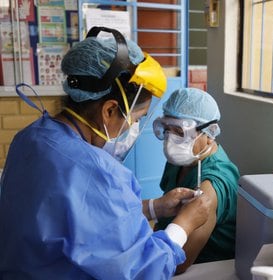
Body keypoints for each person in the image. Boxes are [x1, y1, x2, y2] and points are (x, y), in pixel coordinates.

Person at [0, 27, 210, 279]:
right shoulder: (97, 172)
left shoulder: (29, 138)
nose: (132, 128)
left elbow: (79, 218)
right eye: (135, 118)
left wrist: (155, 208)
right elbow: (143, 270)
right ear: (109, 111)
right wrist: (184, 225)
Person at [152, 87, 240, 274]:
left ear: (209, 134)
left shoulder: (212, 184)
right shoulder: (183, 159)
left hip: (204, 268)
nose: (170, 139)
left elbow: (179, 263)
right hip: (165, 246)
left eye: (179, 131)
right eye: (167, 129)